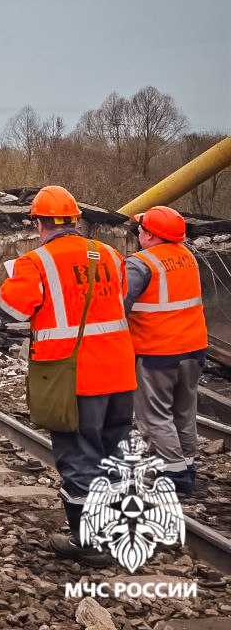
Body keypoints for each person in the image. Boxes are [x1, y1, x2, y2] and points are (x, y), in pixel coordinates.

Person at [0, 185, 136, 564]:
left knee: (78, 457)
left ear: (39, 223)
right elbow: (119, 300)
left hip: (74, 377)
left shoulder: (36, 262)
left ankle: (89, 543)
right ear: (75, 220)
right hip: (120, 373)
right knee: (114, 452)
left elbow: (12, 308)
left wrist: (9, 282)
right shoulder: (111, 254)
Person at [123, 205, 207, 496]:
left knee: (154, 416)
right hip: (194, 349)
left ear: (150, 235)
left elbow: (118, 307)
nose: (138, 233)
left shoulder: (140, 264)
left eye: (140, 229)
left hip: (157, 351)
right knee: (184, 411)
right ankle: (187, 466)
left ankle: (174, 475)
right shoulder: (188, 257)